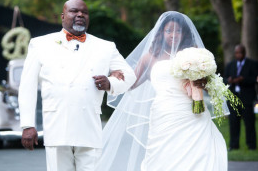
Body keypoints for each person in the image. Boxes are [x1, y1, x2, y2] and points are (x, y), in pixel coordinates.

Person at [96, 11, 227, 171]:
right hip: (163, 113)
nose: (173, 34)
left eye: (178, 31)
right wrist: (112, 79)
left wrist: (201, 81)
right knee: (164, 155)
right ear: (161, 33)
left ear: (184, 33)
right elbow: (131, 83)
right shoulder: (150, 57)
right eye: (169, 30)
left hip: (192, 113)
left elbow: (208, 84)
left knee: (198, 152)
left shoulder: (194, 54)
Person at [18, 0, 136, 171]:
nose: (80, 14)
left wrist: (109, 83)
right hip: (57, 126)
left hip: (89, 127)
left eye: (85, 12)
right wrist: (27, 125)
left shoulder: (105, 47)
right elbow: (27, 87)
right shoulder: (40, 44)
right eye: (74, 11)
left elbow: (129, 75)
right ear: (62, 16)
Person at [224, 44, 257, 151]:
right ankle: (233, 145)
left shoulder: (252, 64)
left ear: (244, 53)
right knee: (233, 122)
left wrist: (243, 79)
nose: (239, 55)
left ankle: (251, 145)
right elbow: (224, 79)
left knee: (249, 122)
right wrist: (229, 80)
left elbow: (255, 79)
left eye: (241, 52)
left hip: (247, 97)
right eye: (237, 53)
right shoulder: (230, 65)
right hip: (233, 97)